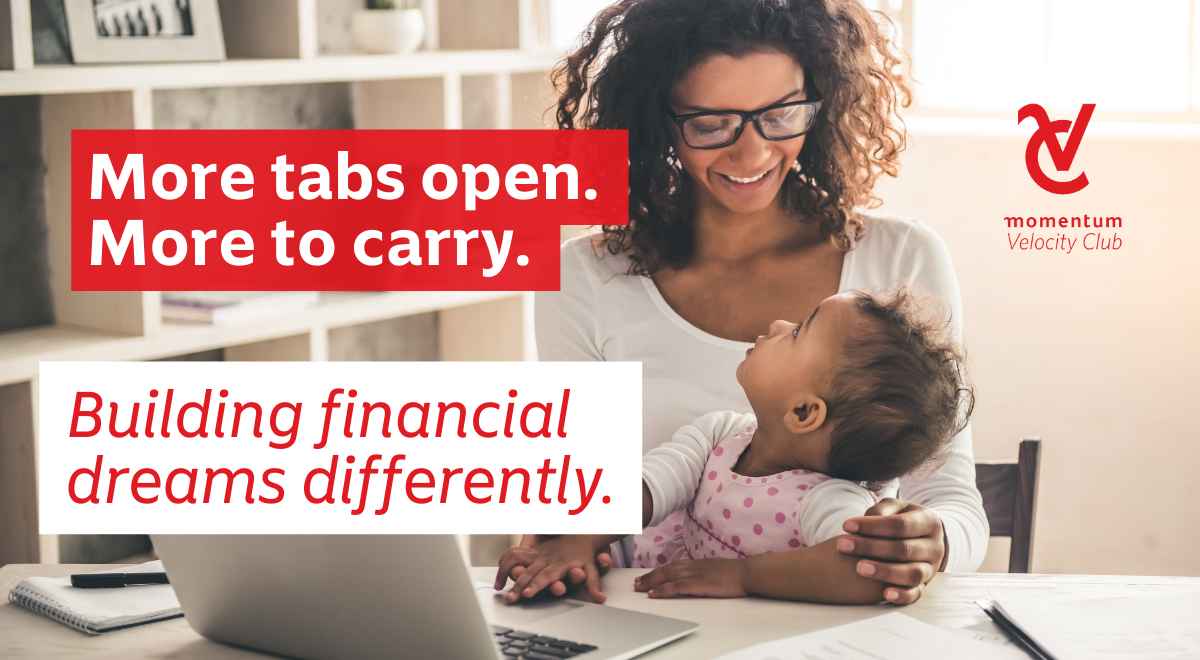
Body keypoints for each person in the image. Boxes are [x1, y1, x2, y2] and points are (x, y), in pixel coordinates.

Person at [515, 0, 989, 605]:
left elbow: (950, 501)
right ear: (657, 119)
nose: (752, 154)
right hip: (646, 613)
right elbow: (575, 498)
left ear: (821, 102)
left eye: (781, 115)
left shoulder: (902, 256)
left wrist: (929, 542)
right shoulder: (583, 276)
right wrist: (559, 541)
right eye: (711, 124)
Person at [498, 288, 973, 604]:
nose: (779, 322)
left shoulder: (827, 499)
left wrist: (743, 576)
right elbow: (649, 486)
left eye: (798, 332)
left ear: (803, 413)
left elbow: (864, 570)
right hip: (658, 603)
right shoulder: (720, 434)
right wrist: (579, 540)